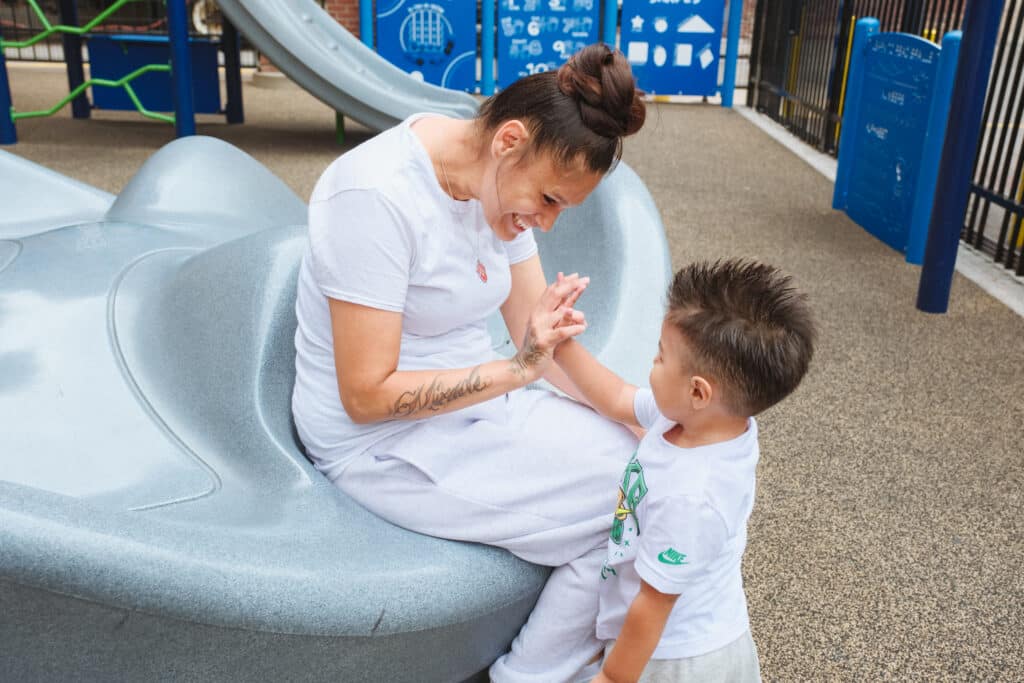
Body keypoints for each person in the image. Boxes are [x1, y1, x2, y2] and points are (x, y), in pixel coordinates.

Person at [291, 43, 646, 682]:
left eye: (561, 207)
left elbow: (539, 340)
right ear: (510, 140)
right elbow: (365, 396)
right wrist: (518, 370)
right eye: (549, 200)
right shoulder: (373, 196)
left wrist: (640, 412)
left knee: (653, 466)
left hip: (482, 402)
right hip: (379, 443)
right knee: (632, 506)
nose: (547, 220)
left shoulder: (498, 184)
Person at [551, 260, 817, 683]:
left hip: (677, 659)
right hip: (675, 635)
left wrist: (612, 678)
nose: (651, 362)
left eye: (659, 355)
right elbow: (618, 397)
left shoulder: (692, 497)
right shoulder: (707, 420)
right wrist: (561, 347)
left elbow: (653, 608)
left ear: (698, 390)